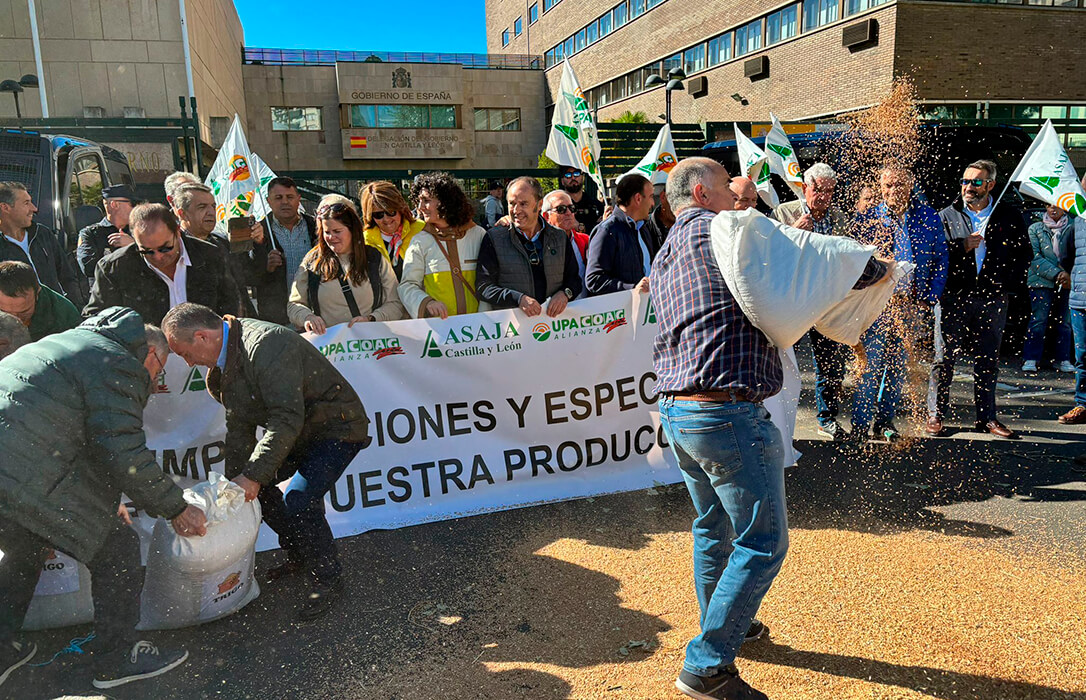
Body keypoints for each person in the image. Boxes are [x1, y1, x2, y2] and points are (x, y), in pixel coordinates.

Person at [652, 158, 888, 700]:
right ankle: (706, 666)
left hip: (680, 411)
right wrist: (875, 268)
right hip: (727, 412)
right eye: (738, 191)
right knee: (764, 542)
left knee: (714, 526)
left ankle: (733, 627)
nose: (748, 203)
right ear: (705, 191)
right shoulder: (727, 230)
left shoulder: (669, 246)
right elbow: (818, 261)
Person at [0, 308, 206, 690]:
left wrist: (106, 500)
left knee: (24, 545)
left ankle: (1, 648)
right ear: (150, 354)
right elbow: (121, 452)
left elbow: (77, 435)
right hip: (25, 465)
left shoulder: (69, 343)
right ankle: (115, 659)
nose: (156, 381)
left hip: (11, 464)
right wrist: (176, 507)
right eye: (159, 372)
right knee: (117, 548)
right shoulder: (119, 363)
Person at [161, 302, 369, 621]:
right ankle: (300, 552)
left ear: (202, 337)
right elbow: (239, 425)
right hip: (302, 431)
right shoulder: (226, 358)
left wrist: (253, 475)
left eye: (185, 353)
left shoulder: (266, 344)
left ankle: (328, 580)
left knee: (300, 500)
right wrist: (236, 482)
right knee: (254, 488)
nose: (188, 363)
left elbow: (285, 419)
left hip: (337, 427)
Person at [927, 160, 1030, 439]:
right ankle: (935, 414)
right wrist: (961, 246)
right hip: (953, 297)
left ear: (991, 185)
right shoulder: (946, 214)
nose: (968, 187)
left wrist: (1006, 285)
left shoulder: (1008, 214)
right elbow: (934, 254)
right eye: (965, 181)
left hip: (992, 298)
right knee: (943, 357)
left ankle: (987, 418)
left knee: (988, 360)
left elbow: (1024, 254)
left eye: (975, 182)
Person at [852, 165, 947, 442]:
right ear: (881, 188)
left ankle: (884, 423)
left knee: (897, 369)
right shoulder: (869, 218)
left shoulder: (927, 216)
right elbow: (855, 261)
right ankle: (859, 426)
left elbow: (941, 257)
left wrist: (929, 297)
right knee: (870, 368)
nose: (893, 191)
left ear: (911, 185)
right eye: (888, 186)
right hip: (878, 306)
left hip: (911, 306)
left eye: (899, 185)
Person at [774, 163, 853, 440]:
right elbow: (771, 254)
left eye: (829, 191)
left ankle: (827, 419)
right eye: (818, 189)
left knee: (830, 365)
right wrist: (794, 230)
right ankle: (776, 419)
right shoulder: (784, 213)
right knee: (780, 361)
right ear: (805, 187)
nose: (823, 196)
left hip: (825, 301)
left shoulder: (839, 218)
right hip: (791, 301)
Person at [84, 204, 242, 325]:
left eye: (165, 248)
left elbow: (230, 303)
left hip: (207, 353)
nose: (158, 257)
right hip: (147, 358)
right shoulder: (114, 268)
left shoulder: (209, 255)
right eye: (146, 251)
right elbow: (97, 318)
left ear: (178, 233)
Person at [288, 201, 405, 333]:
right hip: (328, 346)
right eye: (327, 232)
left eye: (337, 231)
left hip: (370, 343)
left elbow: (395, 303)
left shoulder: (374, 258)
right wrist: (307, 317)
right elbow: (294, 305)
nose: (331, 237)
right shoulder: (312, 261)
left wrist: (371, 319)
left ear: (352, 230)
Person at [477, 177, 581, 316]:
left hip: (554, 327)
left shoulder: (560, 238)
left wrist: (565, 294)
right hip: (513, 330)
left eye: (523, 204)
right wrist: (518, 299)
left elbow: (574, 280)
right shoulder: (494, 238)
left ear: (539, 205)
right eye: (512, 203)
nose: (516, 210)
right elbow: (484, 287)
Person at [400, 172, 488, 319]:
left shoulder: (478, 234)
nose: (420, 207)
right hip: (440, 332)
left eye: (426, 200)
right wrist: (426, 302)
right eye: (419, 201)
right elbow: (407, 286)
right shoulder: (419, 241)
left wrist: (484, 317)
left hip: (480, 332)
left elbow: (489, 282)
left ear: (446, 201)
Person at [245, 176, 318, 326]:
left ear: (299, 199)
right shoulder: (256, 232)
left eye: (289, 197)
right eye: (278, 197)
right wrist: (266, 266)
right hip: (277, 319)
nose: (285, 202)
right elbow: (248, 277)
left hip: (314, 316)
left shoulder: (316, 228)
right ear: (268, 201)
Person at [172, 183, 251, 316]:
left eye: (213, 206)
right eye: (202, 207)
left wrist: (260, 244)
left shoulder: (222, 243)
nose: (211, 212)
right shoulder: (174, 249)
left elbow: (248, 279)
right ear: (182, 214)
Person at [0, 181, 82, 304]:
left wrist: (75, 310)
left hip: (58, 315)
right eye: (26, 203)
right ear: (5, 207)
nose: (34, 208)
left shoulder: (42, 234)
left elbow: (67, 277)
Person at [1023, 204, 1074, 373]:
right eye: (1049, 206)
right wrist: (1057, 273)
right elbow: (1034, 257)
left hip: (1067, 280)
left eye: (1057, 206)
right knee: (1039, 319)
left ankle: (1062, 358)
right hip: (1040, 280)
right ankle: (1031, 357)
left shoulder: (1073, 226)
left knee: (1064, 322)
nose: (1053, 209)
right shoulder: (1035, 228)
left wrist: (1067, 274)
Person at [585, 173, 655, 296]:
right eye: (650, 197)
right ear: (638, 198)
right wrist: (632, 288)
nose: (653, 203)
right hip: (623, 312)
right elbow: (594, 280)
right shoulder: (607, 231)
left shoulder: (643, 228)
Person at [0, 261, 81, 341]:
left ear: (37, 293)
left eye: (23, 312)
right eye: (5, 313)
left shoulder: (64, 314)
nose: (16, 320)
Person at [360, 181, 425, 280]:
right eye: (378, 215)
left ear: (400, 209)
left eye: (391, 212)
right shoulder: (365, 241)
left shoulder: (421, 230)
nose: (386, 219)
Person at [1057, 208, 1086, 424]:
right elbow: (1065, 255)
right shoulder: (1078, 223)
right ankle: (1083, 403)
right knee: (1083, 356)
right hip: (1081, 300)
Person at [76, 184, 140, 278]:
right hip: (108, 291)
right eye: (133, 204)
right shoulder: (90, 234)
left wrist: (133, 246)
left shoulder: (140, 230)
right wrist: (126, 251)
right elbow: (89, 268)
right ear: (114, 204)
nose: (137, 208)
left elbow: (157, 260)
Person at [542, 189, 590, 298]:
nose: (569, 213)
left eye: (571, 208)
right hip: (551, 311)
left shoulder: (585, 241)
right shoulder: (538, 244)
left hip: (585, 311)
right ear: (546, 216)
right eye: (561, 209)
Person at [558, 165, 604, 234]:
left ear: (583, 177)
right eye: (568, 175)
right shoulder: (558, 206)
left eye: (576, 173)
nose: (573, 178)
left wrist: (579, 227)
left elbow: (601, 231)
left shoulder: (595, 205)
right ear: (562, 181)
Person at [641, 185, 676, 253]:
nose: (682, 206)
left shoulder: (690, 228)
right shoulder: (642, 228)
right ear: (663, 196)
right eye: (677, 199)